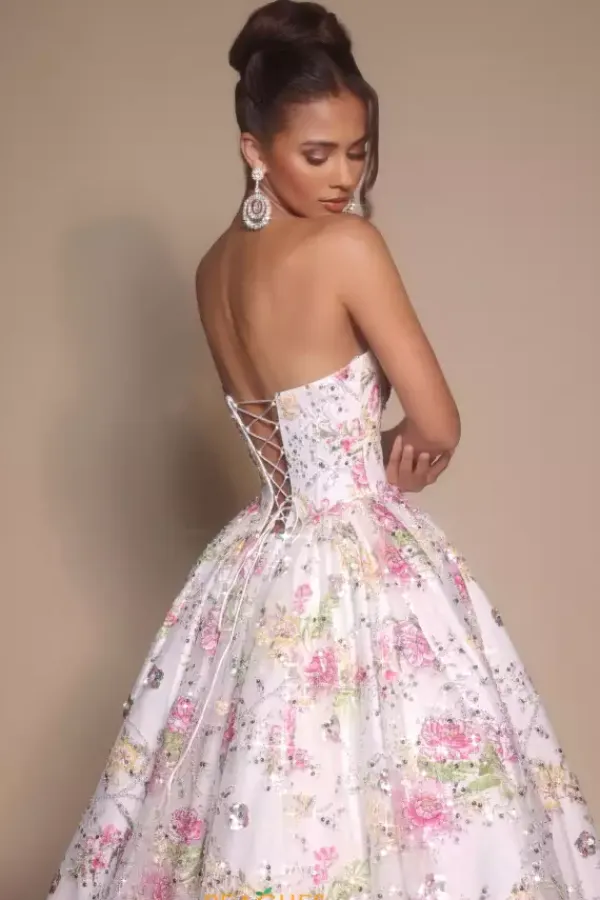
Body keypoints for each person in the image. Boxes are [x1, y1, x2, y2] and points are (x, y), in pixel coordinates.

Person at [48, 2, 599, 899]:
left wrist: (344, 453)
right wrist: (387, 455)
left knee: (254, 789)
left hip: (254, 565)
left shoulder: (212, 271)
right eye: (318, 154)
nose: (344, 177)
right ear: (254, 149)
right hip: (353, 556)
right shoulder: (347, 246)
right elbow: (439, 423)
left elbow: (281, 430)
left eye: (357, 152)